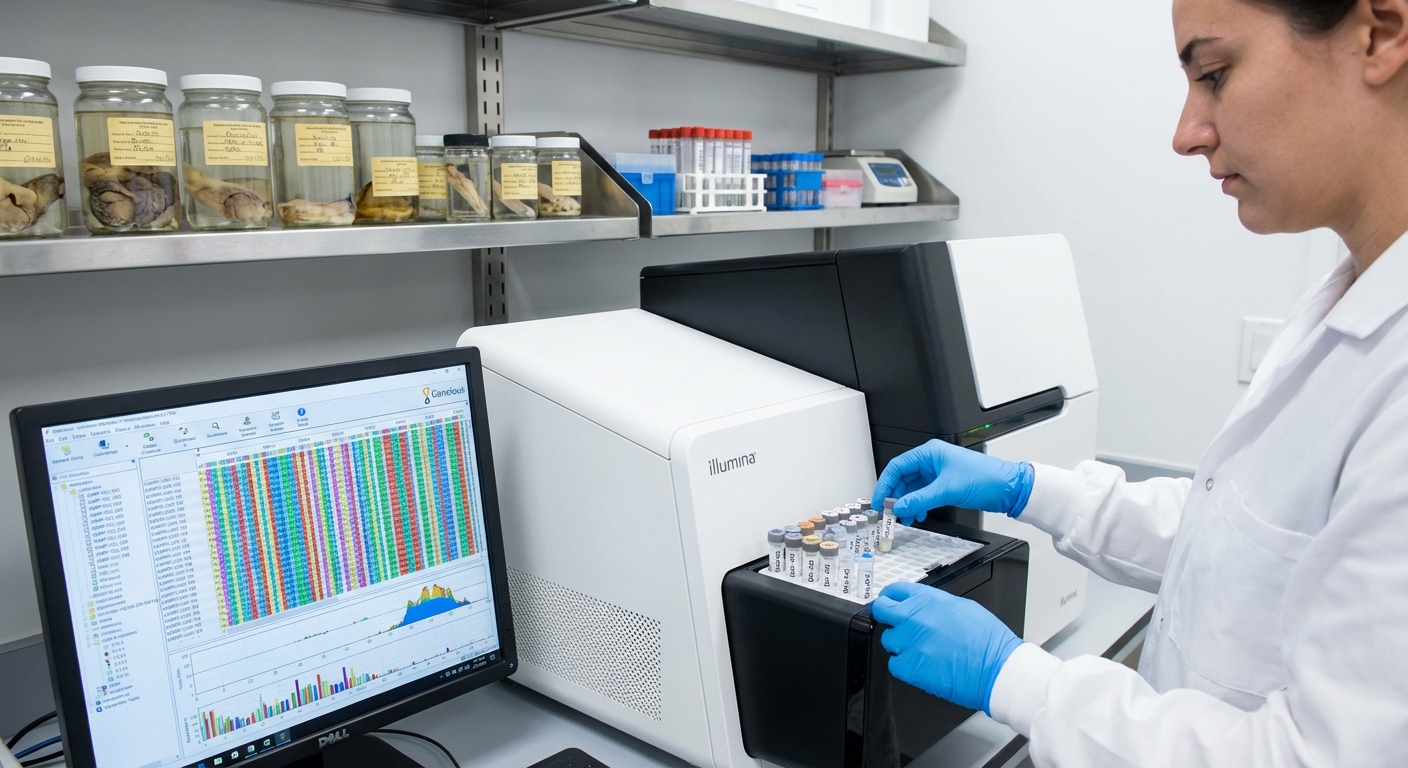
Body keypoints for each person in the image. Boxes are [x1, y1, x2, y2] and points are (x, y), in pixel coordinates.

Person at [868, 0, 1408, 764]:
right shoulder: (1350, 300)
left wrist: (1018, 680)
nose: (1187, 132)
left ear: (1379, 34)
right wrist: (1029, 488)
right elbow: (1237, 538)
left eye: (1214, 73)